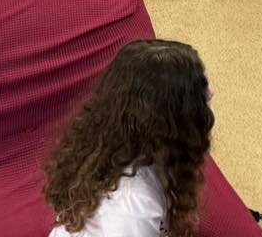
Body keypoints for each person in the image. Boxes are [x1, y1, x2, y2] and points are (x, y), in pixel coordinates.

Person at [43, 40, 215, 237]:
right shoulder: (135, 205)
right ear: (170, 117)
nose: (210, 93)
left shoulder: (122, 150)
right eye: (199, 91)